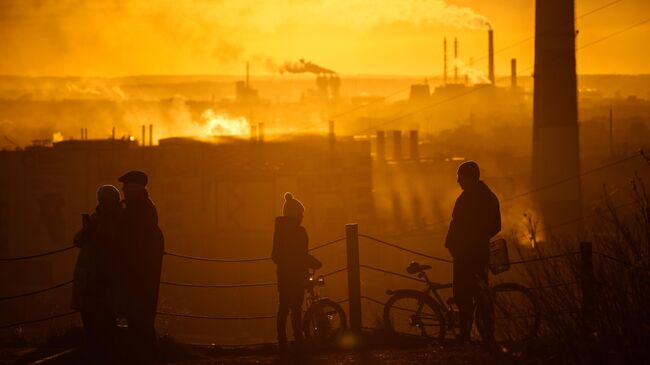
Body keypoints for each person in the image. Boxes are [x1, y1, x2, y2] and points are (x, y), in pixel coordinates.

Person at [445, 161, 501, 342]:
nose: (457, 181)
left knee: (463, 296)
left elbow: (456, 226)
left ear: (469, 178)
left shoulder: (466, 199)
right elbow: (496, 226)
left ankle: (465, 334)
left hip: (465, 255)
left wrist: (457, 244)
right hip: (480, 253)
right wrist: (480, 239)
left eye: (460, 177)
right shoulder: (490, 197)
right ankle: (487, 334)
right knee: (481, 294)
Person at [117, 170, 164, 362]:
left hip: (138, 271)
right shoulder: (142, 207)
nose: (123, 189)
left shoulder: (139, 210)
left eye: (126, 186)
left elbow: (132, 240)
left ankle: (146, 355)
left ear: (136, 188)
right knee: (139, 315)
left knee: (139, 316)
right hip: (141, 271)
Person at [72, 185, 122, 361]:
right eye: (100, 200)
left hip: (103, 279)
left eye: (105, 200)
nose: (102, 203)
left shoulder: (117, 220)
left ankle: (103, 355)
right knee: (91, 319)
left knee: (104, 321)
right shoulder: (98, 219)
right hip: (91, 277)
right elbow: (78, 240)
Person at [271, 192, 321, 353]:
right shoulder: (300, 232)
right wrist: (315, 263)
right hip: (298, 276)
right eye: (301, 214)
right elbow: (302, 255)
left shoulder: (279, 231)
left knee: (283, 308)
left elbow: (275, 255)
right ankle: (298, 340)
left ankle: (282, 341)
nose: (302, 217)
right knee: (296, 309)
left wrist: (286, 265)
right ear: (296, 215)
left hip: (284, 276)